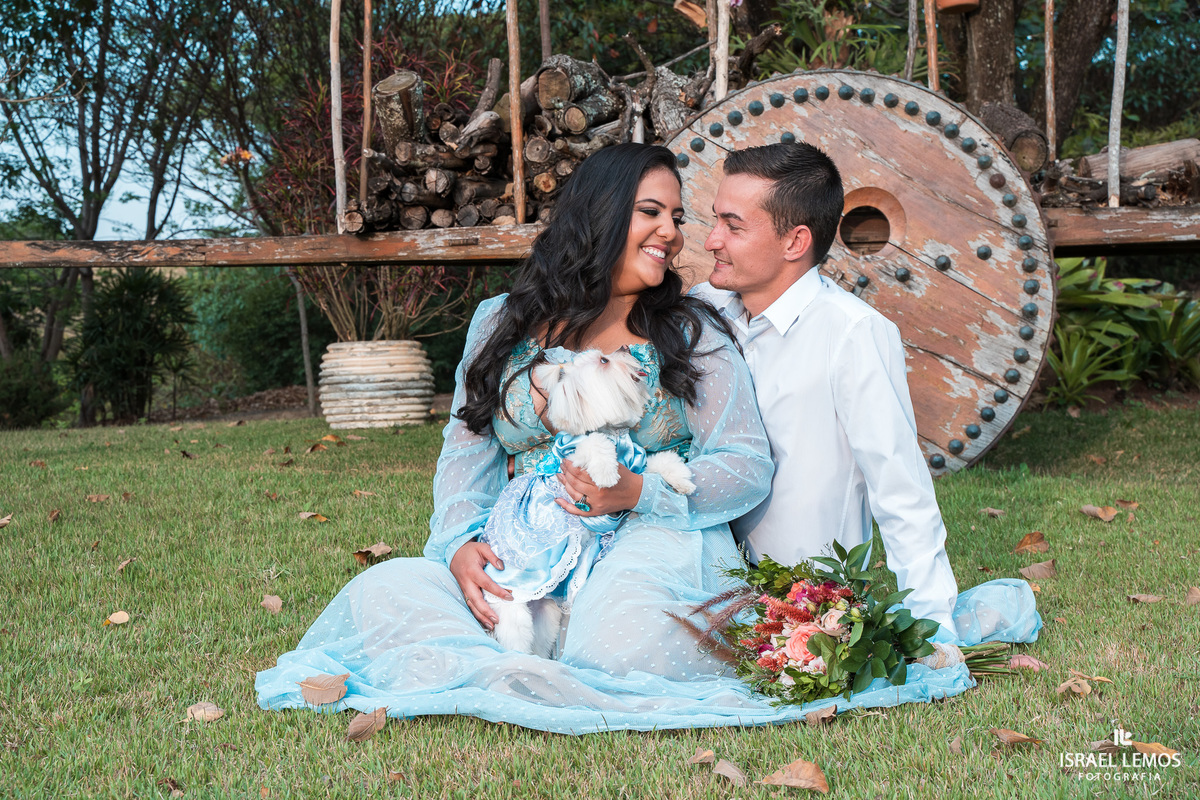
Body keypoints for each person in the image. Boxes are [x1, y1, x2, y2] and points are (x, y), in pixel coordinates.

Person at [257, 143, 789, 733]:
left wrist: (639, 493)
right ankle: (519, 660)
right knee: (387, 589)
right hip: (526, 544)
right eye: (651, 212)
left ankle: (540, 660)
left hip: (655, 536)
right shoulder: (500, 322)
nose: (672, 232)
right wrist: (460, 546)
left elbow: (745, 464)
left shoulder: (689, 330)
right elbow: (466, 456)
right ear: (600, 214)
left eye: (676, 217)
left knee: (622, 640)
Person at [693, 142, 960, 640]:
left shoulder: (853, 334)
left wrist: (931, 631)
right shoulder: (703, 308)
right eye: (715, 221)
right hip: (697, 580)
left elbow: (900, 489)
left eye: (733, 226)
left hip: (802, 606)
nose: (711, 241)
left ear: (795, 242)